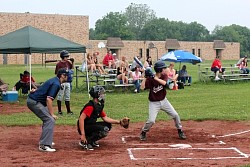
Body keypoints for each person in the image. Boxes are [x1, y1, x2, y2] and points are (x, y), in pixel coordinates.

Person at [139, 60, 186, 141]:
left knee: (175, 115)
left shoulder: (164, 76)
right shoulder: (151, 79)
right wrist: (145, 77)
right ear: (160, 69)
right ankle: (143, 132)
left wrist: (155, 78)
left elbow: (164, 83)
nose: (165, 69)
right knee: (151, 121)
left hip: (164, 101)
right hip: (154, 103)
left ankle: (180, 130)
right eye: (163, 68)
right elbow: (142, 88)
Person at [26, 68, 69, 152]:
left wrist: (35, 90)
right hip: (35, 102)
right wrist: (52, 114)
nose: (68, 77)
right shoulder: (56, 84)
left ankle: (46, 140)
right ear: (62, 76)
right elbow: (49, 100)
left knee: (48, 119)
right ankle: (44, 145)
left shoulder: (54, 80)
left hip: (35, 100)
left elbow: (43, 88)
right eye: (67, 75)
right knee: (49, 119)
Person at [77, 85, 127, 150]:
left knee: (108, 125)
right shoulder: (90, 106)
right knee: (104, 129)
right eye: (101, 93)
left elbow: (105, 118)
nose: (103, 95)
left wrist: (119, 122)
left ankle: (91, 140)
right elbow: (81, 119)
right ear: (96, 95)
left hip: (90, 125)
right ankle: (86, 142)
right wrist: (82, 134)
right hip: (84, 127)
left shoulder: (97, 106)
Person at [55, 50, 74, 115]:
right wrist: (59, 83)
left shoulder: (68, 62)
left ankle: (68, 111)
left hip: (68, 81)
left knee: (67, 96)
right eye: (66, 56)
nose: (67, 57)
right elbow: (56, 74)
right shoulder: (59, 64)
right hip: (62, 82)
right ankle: (59, 111)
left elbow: (72, 68)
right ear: (63, 57)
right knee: (60, 96)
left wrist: (72, 62)